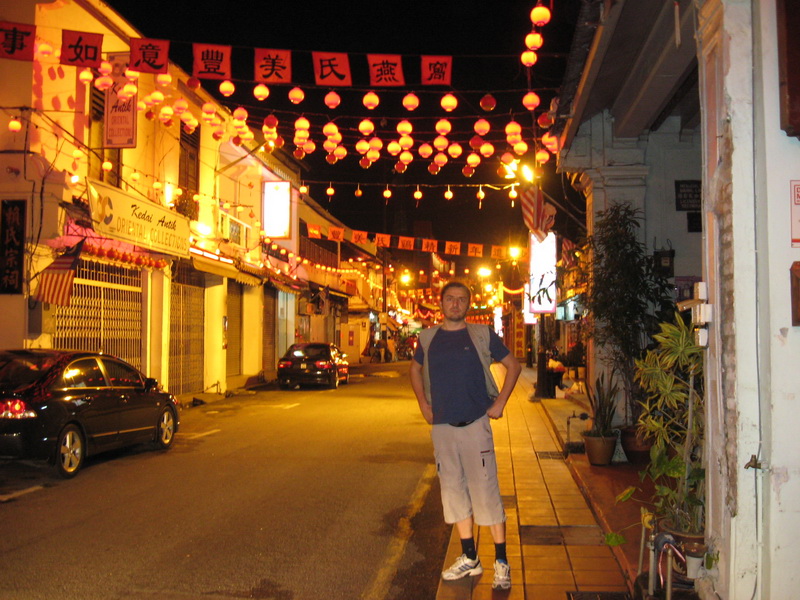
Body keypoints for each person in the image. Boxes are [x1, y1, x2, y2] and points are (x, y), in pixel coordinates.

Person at [409, 280, 522, 590]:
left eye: (461, 299)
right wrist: (423, 403)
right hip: (443, 428)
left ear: (468, 305)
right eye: (450, 299)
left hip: (475, 425)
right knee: (453, 491)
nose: (455, 304)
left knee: (486, 490)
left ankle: (501, 562)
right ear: (441, 303)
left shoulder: (482, 335)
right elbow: (415, 370)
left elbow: (512, 365)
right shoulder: (428, 337)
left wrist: (499, 403)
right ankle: (469, 557)